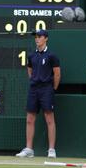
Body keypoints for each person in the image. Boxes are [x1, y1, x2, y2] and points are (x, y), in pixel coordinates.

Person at [16, 29, 60, 158]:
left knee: (49, 119)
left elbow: (57, 74)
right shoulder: (31, 55)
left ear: (46, 38)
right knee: (30, 119)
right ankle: (29, 148)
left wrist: (53, 89)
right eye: (36, 36)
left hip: (47, 89)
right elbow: (29, 70)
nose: (37, 39)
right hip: (34, 89)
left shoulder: (52, 56)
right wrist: (34, 81)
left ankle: (51, 149)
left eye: (39, 36)